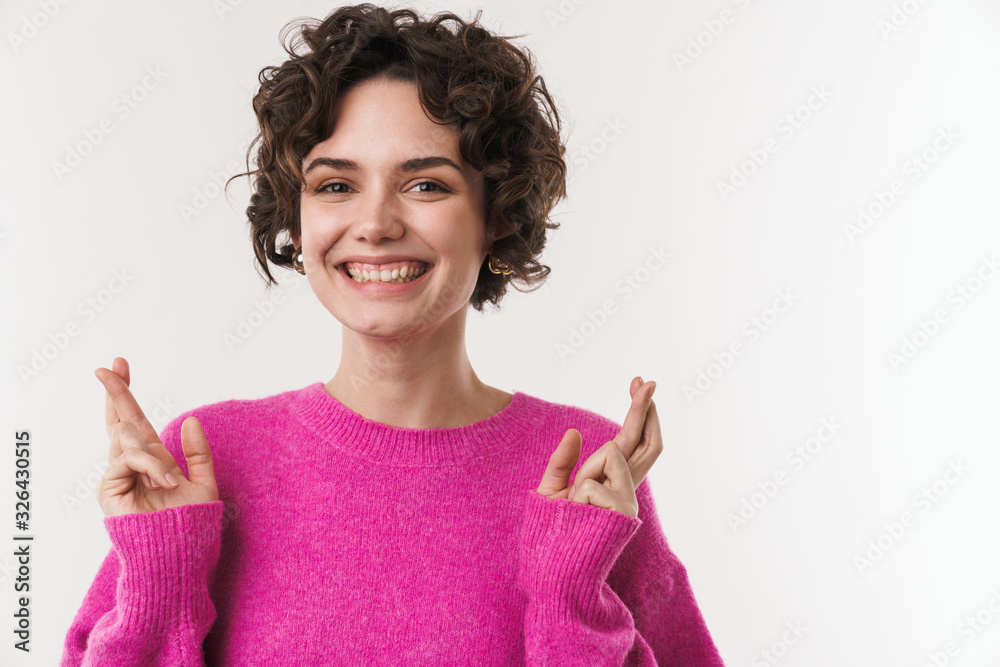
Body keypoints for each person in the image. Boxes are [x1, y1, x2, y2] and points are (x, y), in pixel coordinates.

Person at [60, 4, 725, 665]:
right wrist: (161, 581)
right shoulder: (202, 460)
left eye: (426, 183)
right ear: (297, 221)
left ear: (496, 216)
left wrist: (571, 596)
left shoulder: (588, 470)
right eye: (336, 184)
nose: (374, 222)